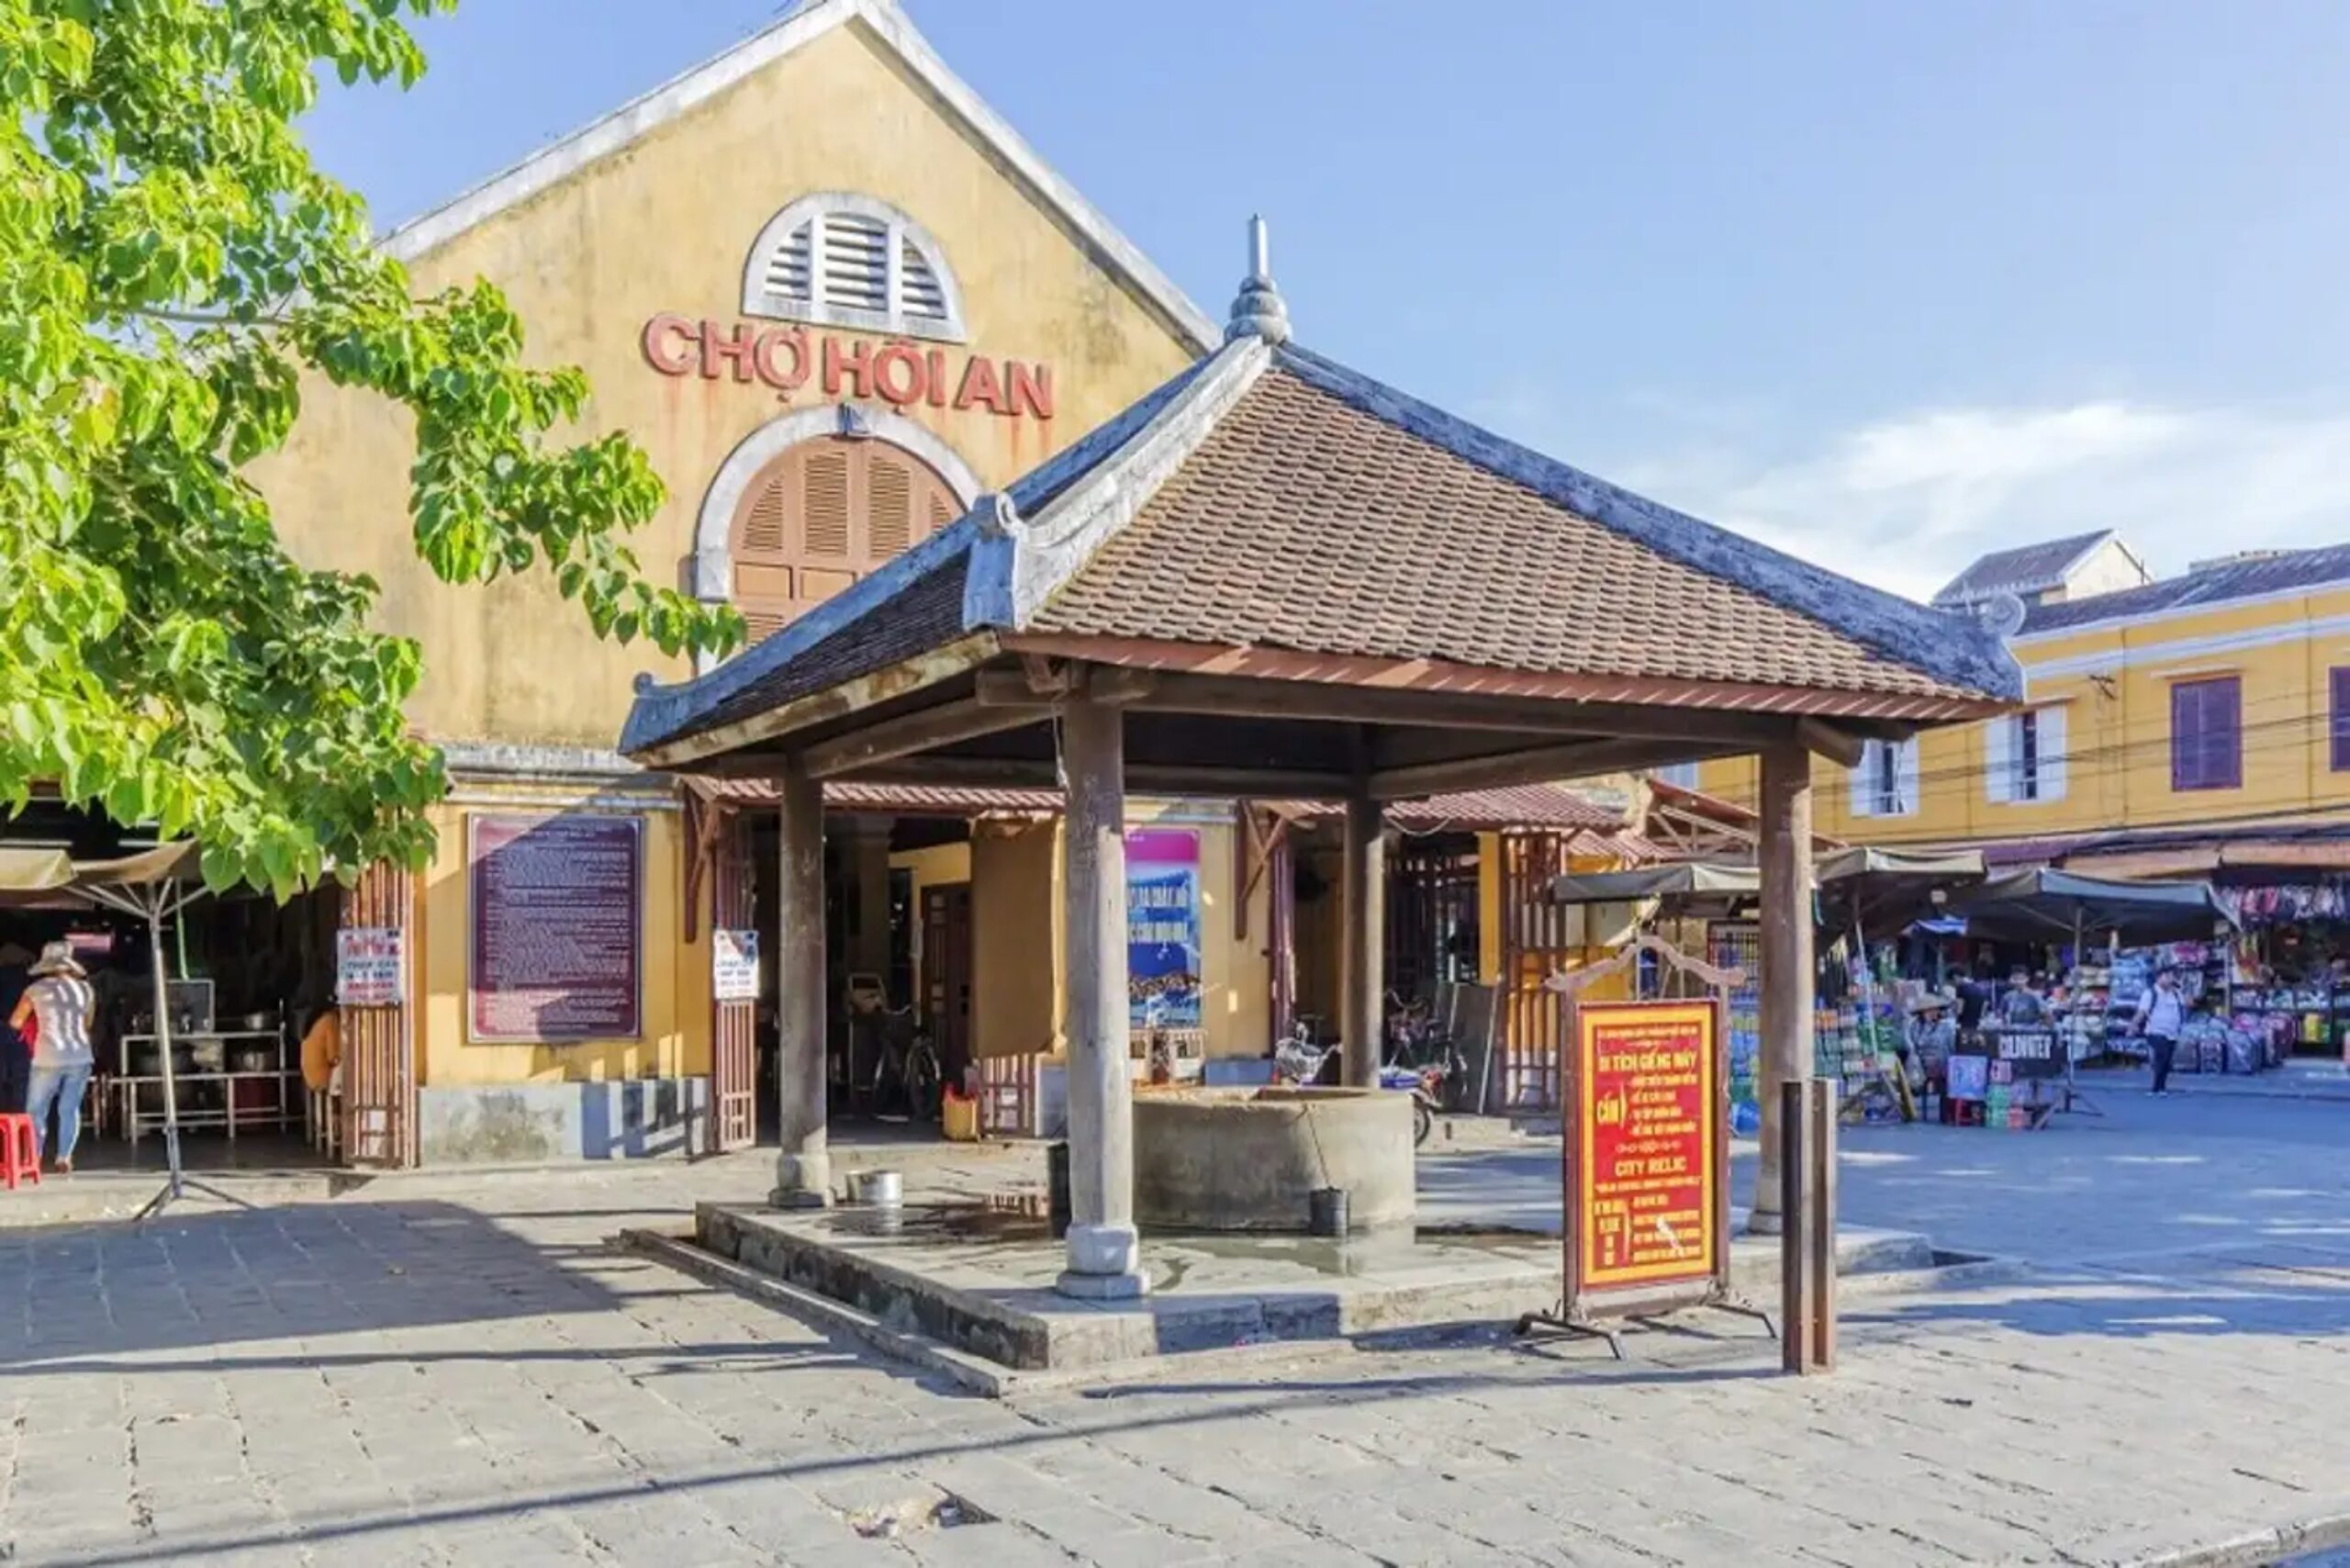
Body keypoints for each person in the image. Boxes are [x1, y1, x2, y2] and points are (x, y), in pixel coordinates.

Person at [10, 941, 96, 1172]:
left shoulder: (35, 990)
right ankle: (63, 1158)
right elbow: (87, 1023)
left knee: (36, 1110)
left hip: (47, 1056)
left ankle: (34, 1158)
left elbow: (16, 1022)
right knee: (69, 1109)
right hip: (80, 1055)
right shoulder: (86, 990)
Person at [2134, 967, 2186, 1096]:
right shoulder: (2150, 993)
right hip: (2155, 1031)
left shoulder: (2176, 994)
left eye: (2171, 977)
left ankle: (2161, 1087)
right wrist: (2133, 1025)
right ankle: (2155, 1087)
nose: (2170, 979)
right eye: (2167, 976)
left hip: (2172, 1032)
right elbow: (2142, 1012)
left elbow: (2184, 1007)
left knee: (2167, 1060)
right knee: (2161, 1057)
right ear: (2159, 977)